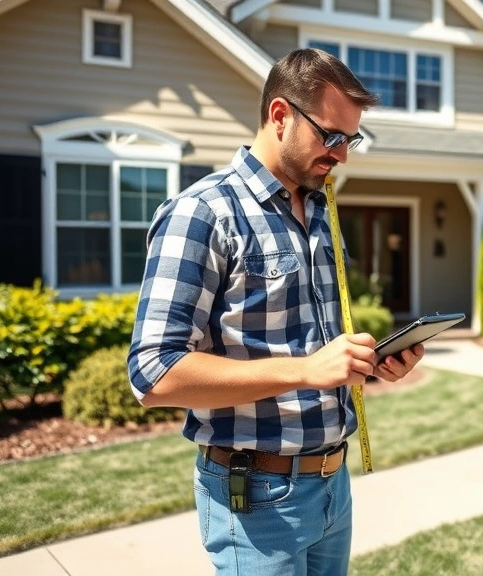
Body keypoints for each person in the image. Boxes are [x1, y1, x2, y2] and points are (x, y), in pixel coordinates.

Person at [127, 48, 424, 575]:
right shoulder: (203, 213)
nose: (342, 155)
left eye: (350, 140)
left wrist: (369, 361)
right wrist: (307, 371)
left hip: (333, 481)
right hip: (257, 495)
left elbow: (314, 347)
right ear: (281, 115)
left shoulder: (319, 212)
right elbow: (154, 374)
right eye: (331, 136)